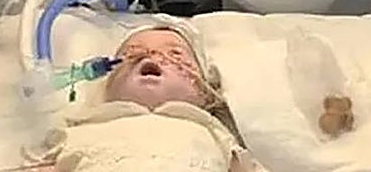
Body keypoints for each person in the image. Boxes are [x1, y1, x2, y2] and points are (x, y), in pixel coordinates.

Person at [23, 23, 266, 171]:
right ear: (106, 84)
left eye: (176, 54)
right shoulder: (78, 130)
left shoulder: (213, 134)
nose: (151, 55)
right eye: (132, 53)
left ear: (205, 94)